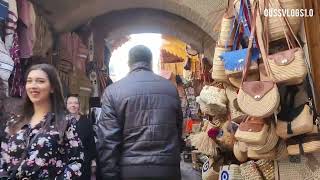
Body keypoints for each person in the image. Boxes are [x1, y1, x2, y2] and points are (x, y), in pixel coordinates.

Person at [96, 45, 183, 180]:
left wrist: (109, 175)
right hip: (167, 169)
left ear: (129, 63)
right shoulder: (170, 89)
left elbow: (108, 141)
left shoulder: (113, 91)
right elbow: (177, 132)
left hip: (130, 171)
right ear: (150, 62)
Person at [0, 64, 84, 179]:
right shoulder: (14, 121)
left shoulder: (65, 122)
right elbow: (3, 158)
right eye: (29, 81)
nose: (33, 86)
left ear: (52, 87)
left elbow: (76, 163)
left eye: (40, 81)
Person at [66, 94, 96, 180]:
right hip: (66, 164)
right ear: (66, 105)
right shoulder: (61, 122)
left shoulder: (86, 122)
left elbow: (91, 143)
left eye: (76, 103)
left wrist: (93, 162)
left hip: (84, 163)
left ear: (79, 105)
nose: (73, 105)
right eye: (70, 103)